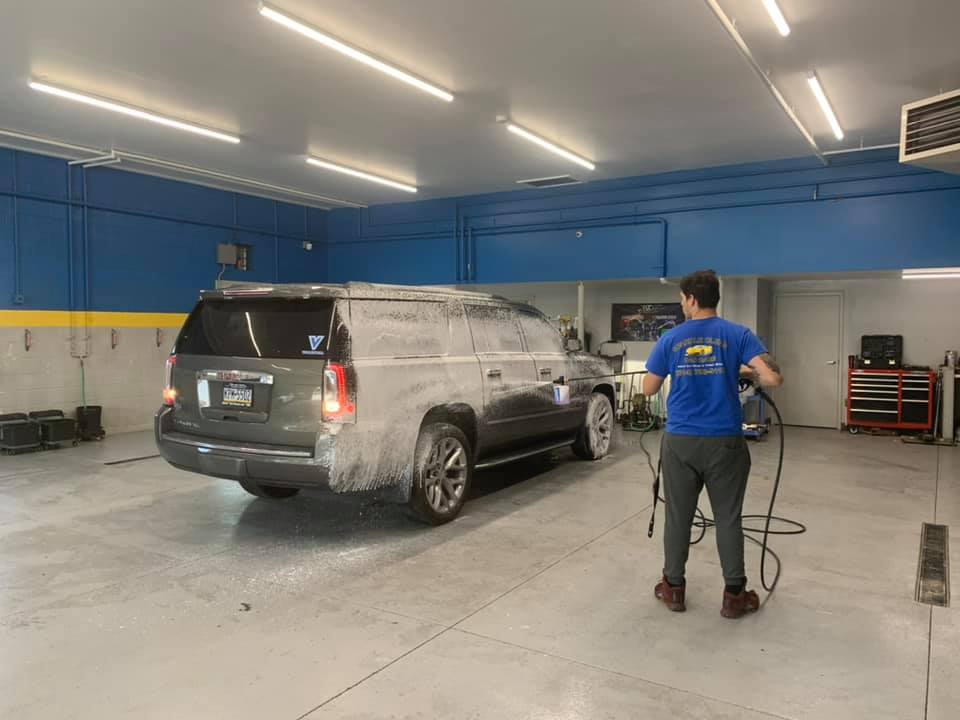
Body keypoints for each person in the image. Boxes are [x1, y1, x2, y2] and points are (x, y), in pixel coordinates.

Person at [642, 270, 783, 619]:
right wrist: (741, 371)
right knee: (728, 519)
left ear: (691, 299)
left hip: (680, 443)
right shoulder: (738, 334)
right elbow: (772, 377)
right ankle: (734, 596)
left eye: (681, 299)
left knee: (678, 517)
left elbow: (648, 388)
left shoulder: (670, 339)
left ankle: (673, 588)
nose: (682, 304)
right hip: (725, 443)